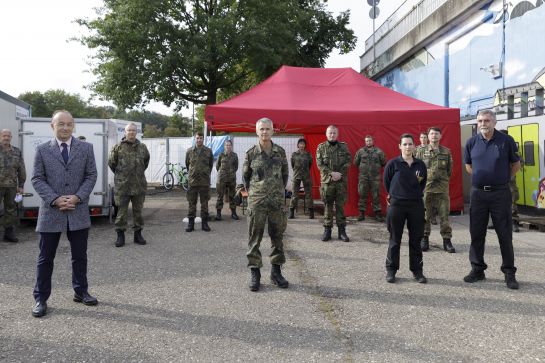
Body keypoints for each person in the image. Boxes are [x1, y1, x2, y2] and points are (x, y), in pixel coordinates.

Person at [31, 110, 98, 318]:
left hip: (77, 211)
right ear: (53, 126)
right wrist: (54, 199)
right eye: (61, 124)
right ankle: (41, 299)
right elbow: (37, 178)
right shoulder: (42, 150)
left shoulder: (86, 148)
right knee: (45, 258)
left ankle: (81, 291)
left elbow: (91, 175)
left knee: (80, 256)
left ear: (74, 126)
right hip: (51, 212)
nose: (66, 127)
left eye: (69, 124)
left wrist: (78, 197)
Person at [464, 110, 521, 290]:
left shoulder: (506, 141)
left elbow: (516, 165)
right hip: (478, 194)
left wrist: (502, 180)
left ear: (494, 122)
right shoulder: (471, 142)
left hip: (500, 194)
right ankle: (478, 269)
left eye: (487, 120)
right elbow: (468, 166)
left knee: (504, 234)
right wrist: (483, 181)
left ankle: (509, 273)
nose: (483, 123)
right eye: (480, 120)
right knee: (476, 233)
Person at [243, 118, 289, 292]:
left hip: (276, 202)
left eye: (267, 129)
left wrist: (277, 191)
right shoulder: (250, 153)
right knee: (254, 238)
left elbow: (285, 175)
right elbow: (245, 178)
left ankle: (276, 273)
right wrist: (257, 194)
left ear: (273, 131)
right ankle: (255, 273)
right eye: (261, 129)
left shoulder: (280, 152)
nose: (264, 132)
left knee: (278, 237)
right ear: (257, 131)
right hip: (257, 202)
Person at [383, 133, 427, 284]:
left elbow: (422, 183)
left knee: (416, 240)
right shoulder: (393, 164)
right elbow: (387, 183)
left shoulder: (420, 165)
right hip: (397, 205)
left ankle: (417, 271)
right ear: (400, 146)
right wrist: (397, 195)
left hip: (416, 205)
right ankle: (391, 270)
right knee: (395, 239)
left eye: (410, 144)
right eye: (405, 144)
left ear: (415, 146)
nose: (408, 147)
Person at [108, 123, 150, 247]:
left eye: (133, 130)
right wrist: (122, 176)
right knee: (121, 212)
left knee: (138, 212)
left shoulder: (142, 147)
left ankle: (138, 235)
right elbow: (112, 164)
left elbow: (145, 163)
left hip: (138, 185)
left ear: (136, 132)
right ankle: (120, 236)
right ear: (125, 132)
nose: (131, 132)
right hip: (123, 186)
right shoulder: (118, 147)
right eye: (129, 130)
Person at [416, 127, 455, 253]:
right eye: (431, 134)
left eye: (436, 134)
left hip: (442, 189)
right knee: (425, 215)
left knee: (444, 215)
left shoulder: (446, 151)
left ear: (440, 136)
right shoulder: (420, 151)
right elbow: (416, 169)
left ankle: (447, 240)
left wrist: (442, 179)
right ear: (428, 136)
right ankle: (424, 238)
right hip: (426, 188)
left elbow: (449, 170)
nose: (434, 136)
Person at [316, 125, 351, 242]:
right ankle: (327, 231)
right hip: (327, 181)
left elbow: (348, 161)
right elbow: (319, 164)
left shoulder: (344, 147)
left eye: (334, 133)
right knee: (328, 206)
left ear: (337, 134)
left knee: (341, 206)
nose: (332, 135)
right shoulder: (321, 147)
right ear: (326, 134)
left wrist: (339, 173)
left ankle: (342, 231)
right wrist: (332, 173)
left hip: (341, 181)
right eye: (330, 133)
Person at [0, 129, 26, 242]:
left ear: (11, 137)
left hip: (11, 186)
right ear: (1, 136)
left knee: (10, 210)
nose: (6, 137)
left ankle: (8, 234)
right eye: (4, 135)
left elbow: (21, 169)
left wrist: (21, 184)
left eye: (8, 136)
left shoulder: (16, 151)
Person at [185, 131, 214, 232]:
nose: (199, 140)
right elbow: (187, 165)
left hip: (204, 182)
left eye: (201, 138)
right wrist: (193, 174)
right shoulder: (189, 151)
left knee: (204, 203)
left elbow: (210, 165)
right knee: (191, 203)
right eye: (197, 138)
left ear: (203, 139)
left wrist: (205, 174)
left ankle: (204, 224)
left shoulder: (208, 151)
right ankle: (191, 224)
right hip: (192, 182)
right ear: (195, 139)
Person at [353, 135, 386, 222]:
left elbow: (383, 162)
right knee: (362, 195)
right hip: (363, 177)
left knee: (376, 196)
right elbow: (356, 162)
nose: (368, 142)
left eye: (370, 141)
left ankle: (378, 214)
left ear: (373, 141)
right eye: (367, 141)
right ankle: (361, 213)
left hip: (375, 178)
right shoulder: (360, 151)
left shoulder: (379, 152)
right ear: (365, 142)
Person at [289, 138, 314, 219]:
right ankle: (291, 212)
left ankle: (311, 212)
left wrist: (305, 171)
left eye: (303, 144)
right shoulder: (294, 154)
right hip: (296, 176)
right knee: (294, 194)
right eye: (300, 144)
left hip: (306, 176)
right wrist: (297, 171)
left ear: (305, 145)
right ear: (298, 145)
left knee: (308, 194)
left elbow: (310, 165)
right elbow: (293, 165)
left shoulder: (308, 154)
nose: (302, 145)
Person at [215, 139, 239, 221]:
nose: (228, 146)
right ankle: (218, 214)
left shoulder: (235, 155)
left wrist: (231, 173)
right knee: (220, 196)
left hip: (231, 179)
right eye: (226, 145)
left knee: (232, 196)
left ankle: (233, 213)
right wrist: (223, 173)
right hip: (222, 179)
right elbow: (217, 166)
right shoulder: (221, 155)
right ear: (224, 146)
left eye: (229, 145)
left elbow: (236, 166)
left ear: (231, 146)